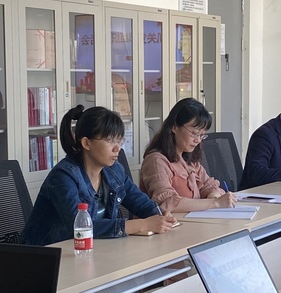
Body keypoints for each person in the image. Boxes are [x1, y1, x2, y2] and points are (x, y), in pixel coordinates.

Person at [22, 105, 177, 245]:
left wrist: (159, 214)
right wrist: (143, 224)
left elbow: (141, 203)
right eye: (110, 140)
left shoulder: (114, 171)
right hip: (48, 256)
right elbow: (81, 227)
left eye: (119, 140)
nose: (117, 148)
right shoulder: (63, 176)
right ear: (86, 143)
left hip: (93, 251)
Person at [140, 98, 236, 213]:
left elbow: (209, 185)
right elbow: (167, 202)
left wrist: (213, 195)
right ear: (174, 127)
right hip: (165, 223)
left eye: (202, 135)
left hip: (190, 222)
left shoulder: (189, 160)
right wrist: (215, 203)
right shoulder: (156, 160)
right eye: (194, 133)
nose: (198, 140)